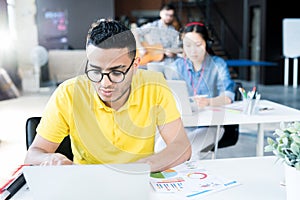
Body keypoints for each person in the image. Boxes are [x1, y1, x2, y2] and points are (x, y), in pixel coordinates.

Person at [24, 18, 191, 172]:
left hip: (138, 179)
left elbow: (182, 147)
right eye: (95, 70)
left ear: (135, 65)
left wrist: (138, 168)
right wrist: (50, 158)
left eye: (117, 72)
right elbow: (34, 154)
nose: (105, 83)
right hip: (87, 181)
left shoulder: (154, 85)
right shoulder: (67, 93)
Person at [163, 21, 236, 159]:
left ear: (206, 44)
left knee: (186, 150)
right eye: (188, 45)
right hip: (184, 123)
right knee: (160, 144)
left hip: (211, 126)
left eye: (198, 45)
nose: (193, 51)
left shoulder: (218, 64)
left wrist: (208, 102)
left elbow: (228, 96)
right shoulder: (177, 66)